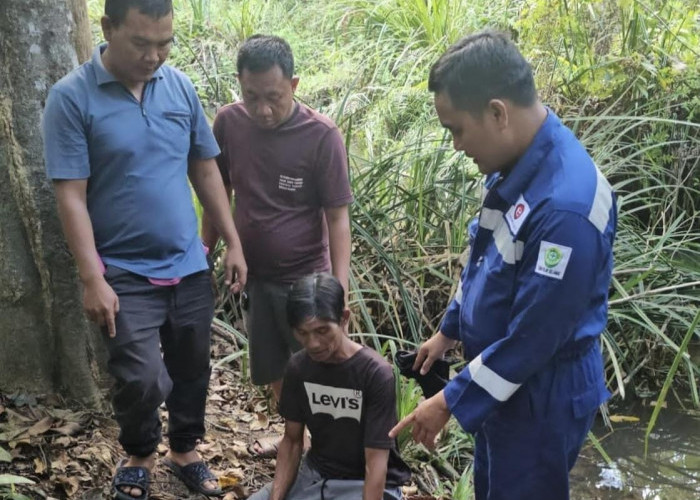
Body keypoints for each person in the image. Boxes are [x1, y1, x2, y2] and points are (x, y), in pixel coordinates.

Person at [389, 31, 617, 500]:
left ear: (497, 112)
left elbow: (533, 339)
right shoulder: (516, 163)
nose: (455, 146)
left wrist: (449, 400)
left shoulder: (565, 211)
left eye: (456, 129)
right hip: (501, 381)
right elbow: (485, 261)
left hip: (540, 396)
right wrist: (449, 330)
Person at [42, 0, 247, 497]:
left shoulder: (177, 86)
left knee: (192, 366)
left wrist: (233, 244)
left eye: (165, 42)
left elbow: (205, 169)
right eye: (141, 43)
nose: (155, 55)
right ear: (108, 28)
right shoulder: (71, 98)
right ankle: (139, 452)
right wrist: (92, 277)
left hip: (188, 261)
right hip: (123, 270)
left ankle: (185, 450)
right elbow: (71, 193)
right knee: (140, 378)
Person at [202, 35, 353, 455]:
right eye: (251, 96)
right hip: (255, 276)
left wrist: (338, 291)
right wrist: (205, 250)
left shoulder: (321, 136)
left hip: (306, 278)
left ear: (295, 84)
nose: (262, 109)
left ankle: (331, 446)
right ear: (239, 84)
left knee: (318, 360)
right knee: (275, 367)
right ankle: (293, 438)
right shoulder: (229, 123)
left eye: (274, 97)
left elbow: (338, 218)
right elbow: (219, 190)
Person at [249, 273, 411, 500]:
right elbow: (293, 441)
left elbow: (375, 463)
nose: (313, 343)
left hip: (362, 483)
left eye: (322, 331)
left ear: (344, 319)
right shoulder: (298, 367)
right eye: (302, 333)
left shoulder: (375, 374)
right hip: (316, 475)